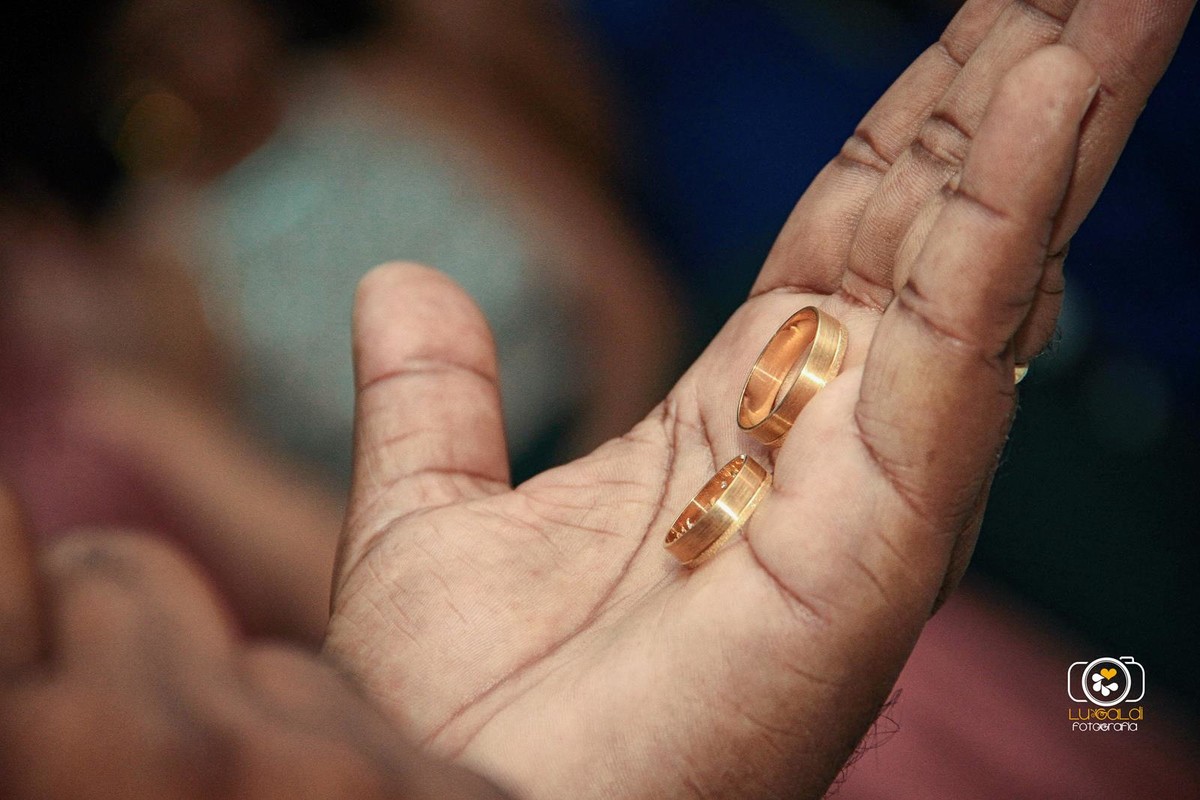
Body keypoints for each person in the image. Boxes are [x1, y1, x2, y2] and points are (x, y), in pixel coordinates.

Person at [1, 2, 1197, 799]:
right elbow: (291, 480)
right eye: (167, 33)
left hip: (642, 403)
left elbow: (609, 274)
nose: (212, 35)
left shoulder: (378, 88)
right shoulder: (165, 257)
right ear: (132, 84)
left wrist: (633, 457)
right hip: (511, 526)